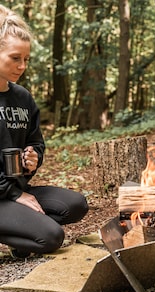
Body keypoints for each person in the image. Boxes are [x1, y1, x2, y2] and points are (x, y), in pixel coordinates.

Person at [0, 4, 89, 259]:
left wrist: (33, 159)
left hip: (13, 191)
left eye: (26, 59)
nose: (22, 66)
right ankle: (25, 230)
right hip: (7, 193)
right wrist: (16, 194)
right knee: (51, 236)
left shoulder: (22, 97)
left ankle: (22, 231)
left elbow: (36, 142)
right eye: (15, 58)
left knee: (76, 205)